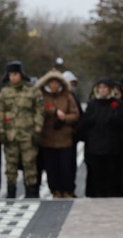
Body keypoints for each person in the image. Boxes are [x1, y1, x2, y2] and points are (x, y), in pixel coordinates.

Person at [0, 61, 43, 198]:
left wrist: (37, 129)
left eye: (15, 74)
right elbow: (0, 112)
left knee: (29, 165)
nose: (13, 77)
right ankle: (11, 193)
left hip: (28, 134)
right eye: (10, 74)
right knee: (10, 167)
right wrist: (1, 130)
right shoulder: (5, 92)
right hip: (11, 134)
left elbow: (39, 111)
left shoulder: (32, 91)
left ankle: (31, 193)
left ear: (21, 74)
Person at [78, 78, 123, 197]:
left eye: (105, 87)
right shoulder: (92, 104)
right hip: (94, 146)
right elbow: (85, 124)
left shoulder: (117, 104)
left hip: (113, 147)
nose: (102, 90)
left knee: (112, 174)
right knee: (95, 173)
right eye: (100, 87)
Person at [36, 70, 80, 198]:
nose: (54, 85)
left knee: (66, 166)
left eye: (56, 83)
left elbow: (75, 115)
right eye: (51, 83)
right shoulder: (42, 96)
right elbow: (41, 107)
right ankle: (55, 190)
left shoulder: (67, 96)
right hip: (47, 137)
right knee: (51, 168)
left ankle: (68, 190)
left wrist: (65, 118)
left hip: (64, 138)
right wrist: (54, 111)